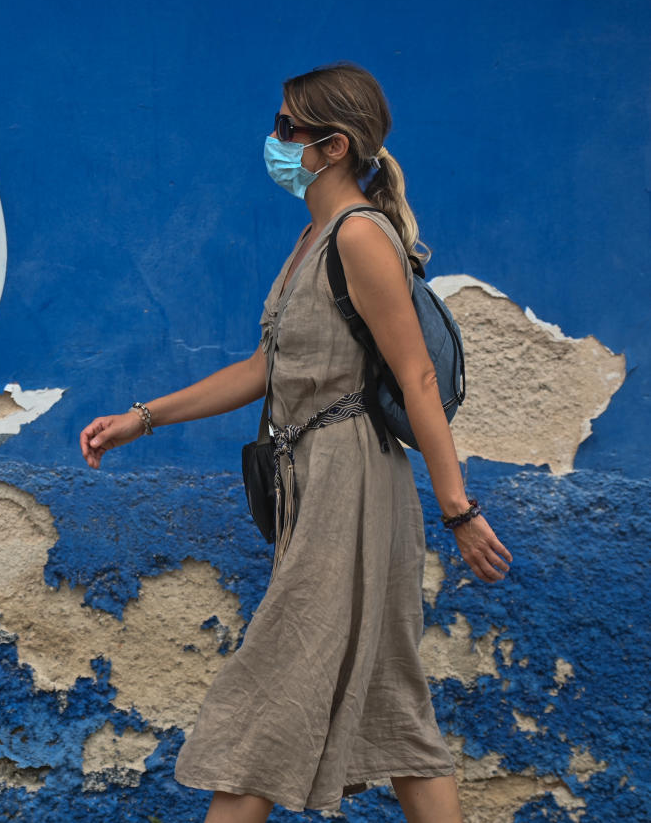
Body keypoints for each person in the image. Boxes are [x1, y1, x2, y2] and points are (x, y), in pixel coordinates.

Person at [78, 62, 512, 822]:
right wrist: (141, 419)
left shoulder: (359, 237)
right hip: (314, 479)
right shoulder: (312, 238)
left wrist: (458, 508)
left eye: (287, 128)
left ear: (334, 145)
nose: (273, 140)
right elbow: (263, 369)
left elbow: (414, 378)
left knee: (274, 679)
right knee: (394, 701)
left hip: (353, 481)